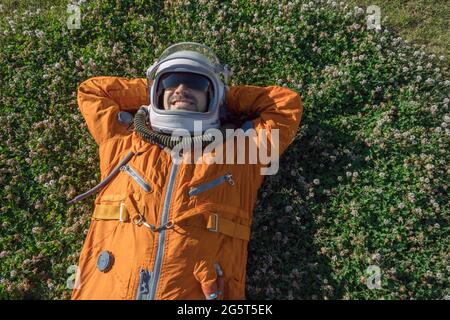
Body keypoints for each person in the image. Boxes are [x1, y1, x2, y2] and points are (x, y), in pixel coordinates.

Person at [68, 42, 303, 300]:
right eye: (171, 82)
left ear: (212, 95)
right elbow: (92, 92)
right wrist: (149, 88)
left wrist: (226, 97)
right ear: (158, 92)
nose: (181, 89)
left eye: (196, 84)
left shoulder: (242, 154)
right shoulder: (121, 139)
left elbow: (284, 107)